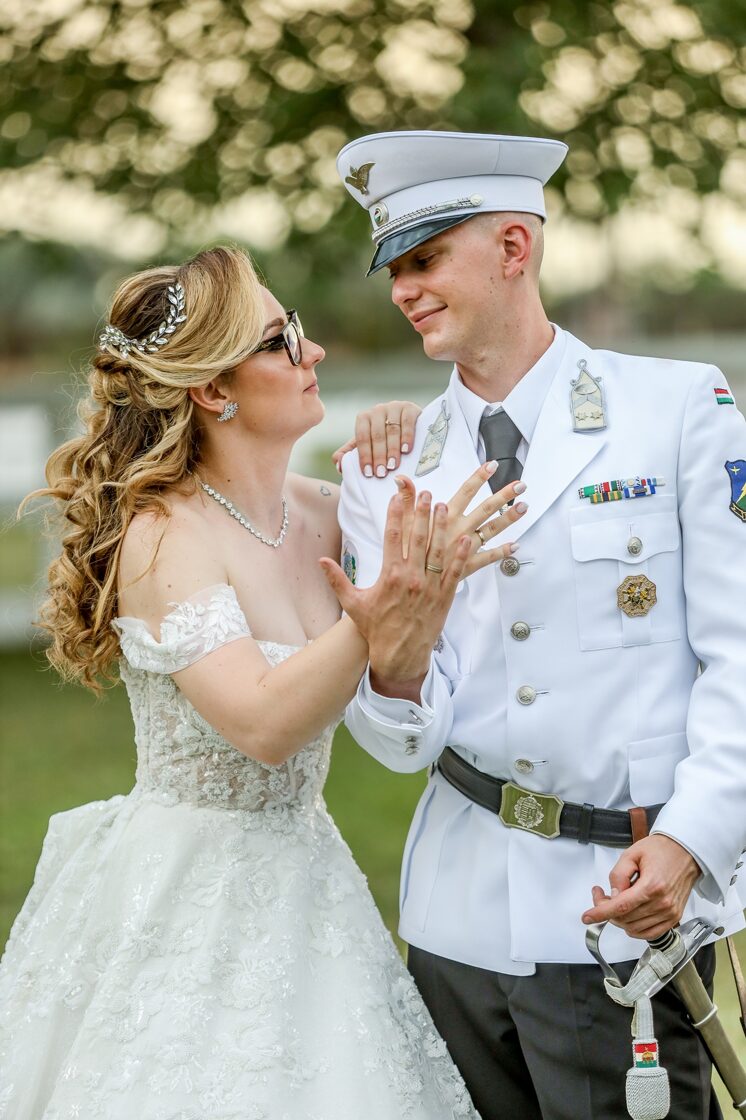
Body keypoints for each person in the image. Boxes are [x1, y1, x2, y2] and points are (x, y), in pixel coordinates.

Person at [0, 245, 528, 1118]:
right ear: (215, 389)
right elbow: (261, 723)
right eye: (282, 339)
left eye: (300, 331)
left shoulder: (327, 513)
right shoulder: (165, 536)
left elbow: (428, 589)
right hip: (188, 899)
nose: (313, 350)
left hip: (310, 881)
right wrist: (381, 609)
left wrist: (418, 433)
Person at [334, 130, 746, 1120]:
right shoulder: (385, 472)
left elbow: (737, 656)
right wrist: (397, 661)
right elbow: (397, 740)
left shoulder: (676, 409)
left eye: (427, 258)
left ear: (514, 247)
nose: (404, 289)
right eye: (395, 269)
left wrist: (691, 843)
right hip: (454, 918)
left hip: (624, 905)